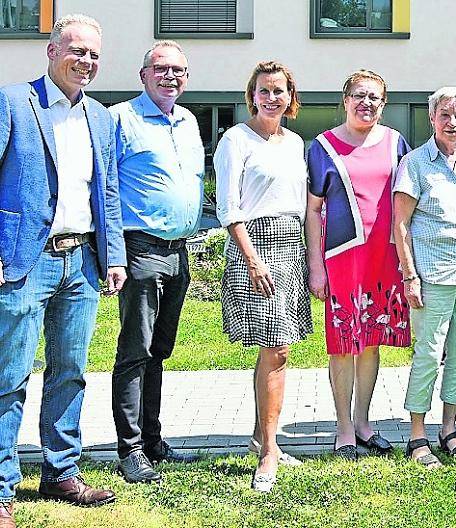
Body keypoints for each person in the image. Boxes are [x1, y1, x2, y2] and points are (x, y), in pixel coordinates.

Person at [0, 14, 126, 524]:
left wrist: (113, 254)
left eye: (94, 54)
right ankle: (2, 486)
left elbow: (109, 193)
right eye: (77, 51)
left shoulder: (100, 116)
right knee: (9, 376)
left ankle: (60, 471)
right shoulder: (12, 102)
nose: (86, 61)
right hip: (23, 264)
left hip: (82, 262)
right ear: (52, 52)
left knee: (70, 372)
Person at [214, 61, 312, 492]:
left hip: (291, 245)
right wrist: (252, 259)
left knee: (280, 350)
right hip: (256, 245)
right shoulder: (235, 140)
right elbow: (228, 207)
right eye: (264, 90)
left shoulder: (295, 142)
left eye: (280, 91)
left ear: (291, 97)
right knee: (275, 348)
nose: (273, 98)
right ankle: (269, 452)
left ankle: (261, 437)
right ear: (251, 95)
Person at [109, 40, 203, 485]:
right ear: (143, 73)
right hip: (140, 248)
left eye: (179, 70)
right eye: (161, 68)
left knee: (160, 351)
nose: (171, 76)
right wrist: (113, 253)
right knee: (135, 351)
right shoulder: (121, 119)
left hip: (178, 249)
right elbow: (105, 189)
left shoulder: (186, 120)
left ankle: (153, 440)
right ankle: (129, 450)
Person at [306, 70, 411, 459]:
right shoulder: (322, 146)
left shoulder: (397, 143)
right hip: (342, 258)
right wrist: (316, 267)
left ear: (383, 105)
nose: (366, 103)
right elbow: (313, 210)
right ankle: (344, 429)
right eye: (359, 96)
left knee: (372, 342)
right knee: (343, 344)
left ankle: (364, 422)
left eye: (374, 98)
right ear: (345, 99)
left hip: (384, 258)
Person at [393, 87, 456, 468]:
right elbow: (400, 224)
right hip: (430, 275)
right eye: (446, 115)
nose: (453, 123)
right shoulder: (415, 163)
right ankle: (417, 434)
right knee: (429, 354)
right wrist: (409, 276)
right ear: (433, 117)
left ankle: (448, 429)